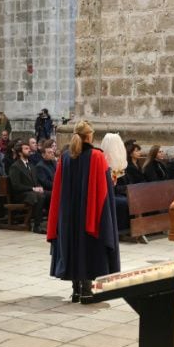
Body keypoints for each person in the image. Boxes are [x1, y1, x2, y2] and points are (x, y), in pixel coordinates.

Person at [47, 120, 120, 302]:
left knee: (72, 245)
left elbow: (58, 188)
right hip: (89, 213)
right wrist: (112, 180)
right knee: (88, 247)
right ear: (90, 136)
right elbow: (104, 190)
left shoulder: (65, 156)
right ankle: (87, 289)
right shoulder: (96, 156)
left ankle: (76, 290)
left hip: (69, 214)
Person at [9, 142, 47, 233]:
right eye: (26, 148)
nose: (29, 150)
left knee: (50, 194)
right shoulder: (15, 166)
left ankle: (47, 222)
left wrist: (39, 187)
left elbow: (35, 182)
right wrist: (32, 189)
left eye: (29, 148)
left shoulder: (31, 165)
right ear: (20, 153)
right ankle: (37, 226)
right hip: (21, 194)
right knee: (39, 196)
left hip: (31, 193)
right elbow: (16, 185)